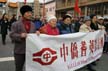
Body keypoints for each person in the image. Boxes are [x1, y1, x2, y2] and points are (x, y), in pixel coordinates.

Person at [10, 5, 37, 71]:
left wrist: (37, 33)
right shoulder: (15, 24)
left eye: (30, 12)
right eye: (27, 12)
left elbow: (34, 35)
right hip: (19, 51)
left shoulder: (33, 24)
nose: (30, 14)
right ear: (23, 13)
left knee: (31, 68)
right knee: (19, 68)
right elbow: (12, 35)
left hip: (30, 51)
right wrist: (20, 36)